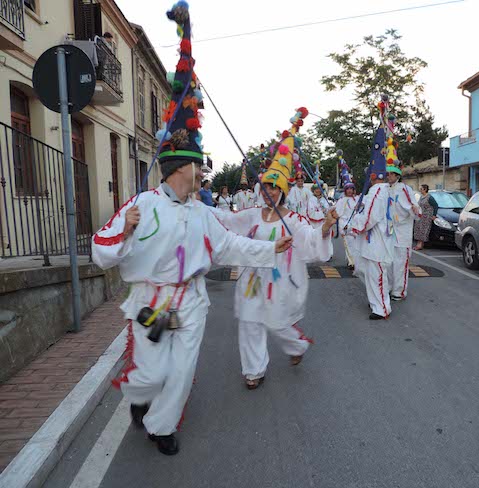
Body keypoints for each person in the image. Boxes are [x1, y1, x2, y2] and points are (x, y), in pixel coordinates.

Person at [91, 2, 292, 457]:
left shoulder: (202, 212)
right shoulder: (141, 205)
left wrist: (270, 245)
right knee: (151, 372)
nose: (203, 175)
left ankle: (163, 426)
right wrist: (123, 235)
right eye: (198, 169)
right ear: (177, 169)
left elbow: (228, 245)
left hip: (193, 303)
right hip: (151, 302)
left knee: (180, 372)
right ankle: (142, 398)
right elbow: (100, 249)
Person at [213, 109, 336, 389]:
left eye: (275, 188)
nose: (270, 192)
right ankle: (254, 370)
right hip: (251, 279)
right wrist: (197, 208)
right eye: (266, 187)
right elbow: (227, 221)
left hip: (279, 280)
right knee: (249, 321)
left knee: (277, 322)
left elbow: (310, 238)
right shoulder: (252, 215)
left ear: (283, 191)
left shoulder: (293, 220)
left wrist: (326, 227)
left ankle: (297, 346)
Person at [349, 117, 395, 320]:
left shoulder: (378, 191)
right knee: (370, 274)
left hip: (376, 243)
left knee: (376, 275)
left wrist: (355, 227)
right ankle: (378, 302)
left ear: (375, 175)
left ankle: (381, 308)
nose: (367, 176)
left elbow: (370, 217)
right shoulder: (378, 191)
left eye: (369, 173)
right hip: (375, 242)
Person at [386, 150, 421, 301]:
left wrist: (415, 210)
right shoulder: (385, 189)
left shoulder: (405, 189)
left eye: (390, 174)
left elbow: (416, 209)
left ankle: (399, 291)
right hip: (389, 232)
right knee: (388, 262)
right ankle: (388, 288)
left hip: (403, 233)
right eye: (387, 174)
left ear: (396, 175)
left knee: (401, 263)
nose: (388, 177)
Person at [335, 154, 359, 270]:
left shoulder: (358, 199)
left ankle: (356, 260)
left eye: (351, 189)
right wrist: (342, 226)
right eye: (348, 189)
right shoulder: (341, 200)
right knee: (348, 244)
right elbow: (338, 214)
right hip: (345, 224)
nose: (350, 191)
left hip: (356, 225)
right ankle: (351, 261)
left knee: (356, 244)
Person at [413, 184, 438, 251]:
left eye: (421, 189)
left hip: (426, 216)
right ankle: (419, 244)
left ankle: (419, 245)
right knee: (418, 229)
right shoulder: (421, 197)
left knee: (423, 230)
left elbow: (435, 206)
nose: (420, 190)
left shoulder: (430, 197)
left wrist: (434, 215)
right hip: (420, 216)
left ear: (425, 189)